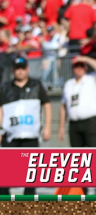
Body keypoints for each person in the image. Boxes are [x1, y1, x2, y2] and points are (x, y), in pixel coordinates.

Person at [0, 56, 52, 195]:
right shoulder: (5, 88)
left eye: (23, 68)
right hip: (10, 136)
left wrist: (47, 127)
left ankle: (28, 202)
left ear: (27, 69)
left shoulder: (36, 85)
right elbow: (1, 110)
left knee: (31, 172)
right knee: (6, 172)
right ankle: (5, 203)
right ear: (13, 70)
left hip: (30, 135)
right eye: (17, 69)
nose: (20, 71)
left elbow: (47, 105)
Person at [58, 55, 96, 147]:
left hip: (90, 122)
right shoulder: (69, 84)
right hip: (74, 124)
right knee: (77, 154)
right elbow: (63, 106)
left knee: (94, 152)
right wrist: (61, 127)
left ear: (85, 67)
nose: (78, 68)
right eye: (76, 66)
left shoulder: (91, 79)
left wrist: (85, 59)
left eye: (81, 66)